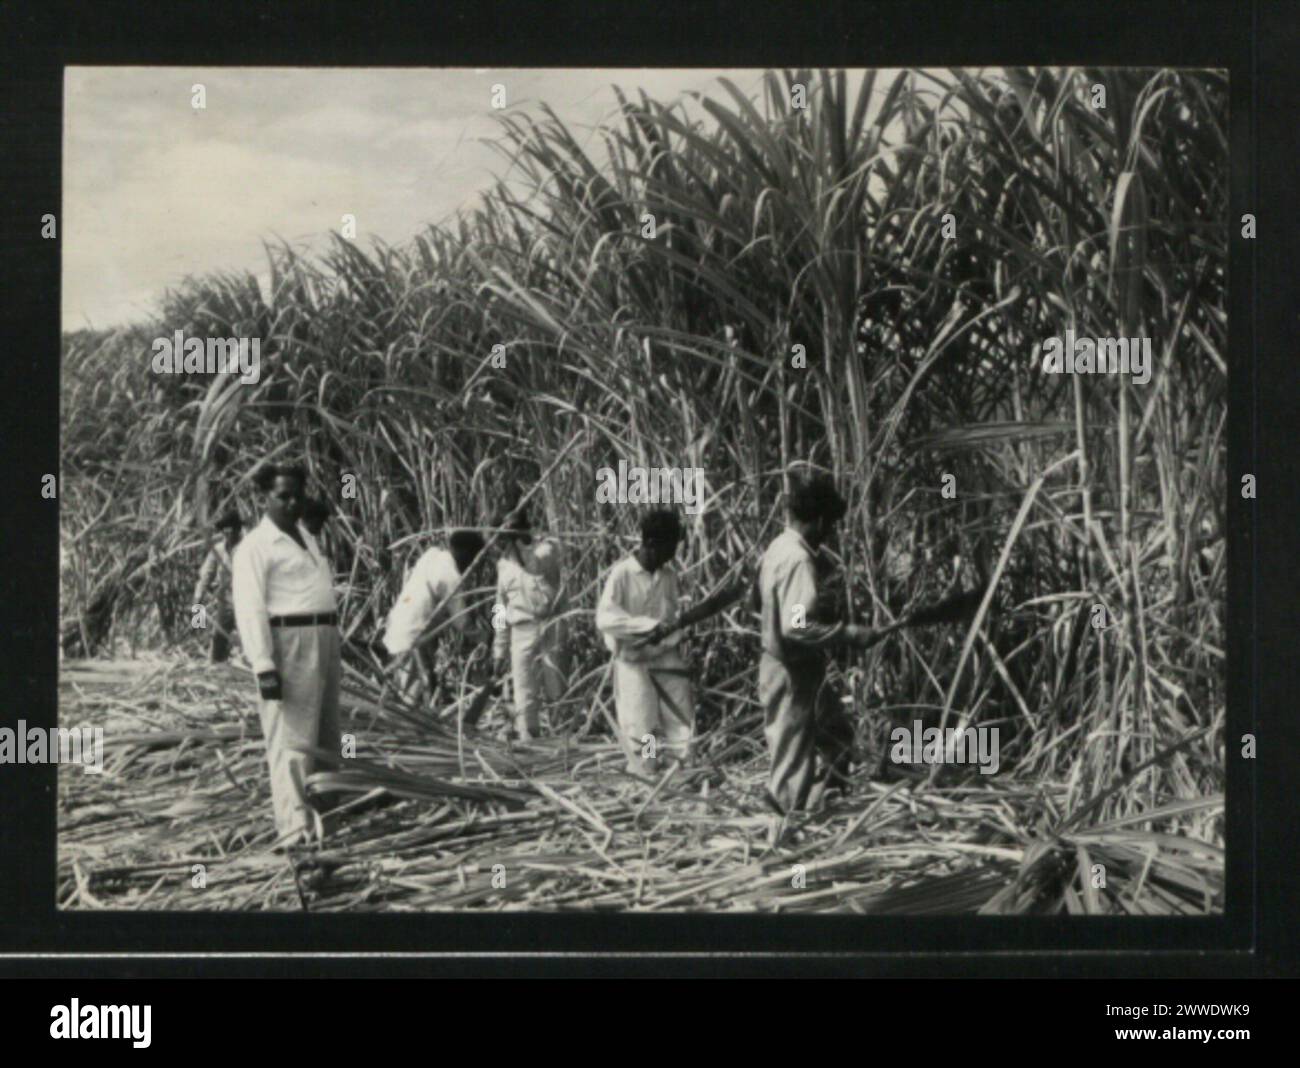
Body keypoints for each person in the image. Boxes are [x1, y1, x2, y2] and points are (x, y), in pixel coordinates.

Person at [756, 468, 879, 813]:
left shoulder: (776, 548)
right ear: (821, 520)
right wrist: (846, 634)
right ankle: (782, 825)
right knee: (792, 756)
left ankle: (825, 799)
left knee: (837, 734)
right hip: (791, 671)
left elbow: (758, 601)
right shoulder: (798, 559)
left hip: (795, 667)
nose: (830, 534)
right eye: (830, 526)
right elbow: (795, 626)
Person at [231, 463, 341, 848]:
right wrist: (263, 664)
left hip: (324, 636)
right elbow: (250, 606)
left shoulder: (305, 537)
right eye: (283, 496)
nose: (292, 502)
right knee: (293, 738)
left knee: (327, 734)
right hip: (290, 641)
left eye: (297, 495)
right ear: (265, 497)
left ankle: (328, 818)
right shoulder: (255, 546)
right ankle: (295, 831)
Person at [595, 509, 694, 775]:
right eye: (669, 547)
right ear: (651, 544)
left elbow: (672, 618)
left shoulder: (668, 576)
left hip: (665, 655)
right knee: (643, 722)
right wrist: (646, 627)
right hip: (634, 661)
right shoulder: (622, 575)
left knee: (680, 713)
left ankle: (679, 767)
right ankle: (648, 770)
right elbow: (605, 618)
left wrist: (675, 633)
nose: (673, 554)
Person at [382, 530, 487, 701]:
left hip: (396, 627)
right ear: (467, 555)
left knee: (401, 690)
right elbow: (461, 622)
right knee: (410, 699)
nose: (471, 567)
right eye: (473, 560)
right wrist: (483, 637)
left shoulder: (431, 555)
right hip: (413, 638)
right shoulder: (451, 577)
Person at [492, 505, 565, 740]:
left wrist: (520, 542)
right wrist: (499, 649)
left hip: (550, 626)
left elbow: (534, 567)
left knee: (555, 683)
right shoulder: (503, 566)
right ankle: (529, 736)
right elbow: (500, 607)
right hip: (521, 630)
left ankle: (561, 735)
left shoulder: (546, 549)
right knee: (524, 688)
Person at [193, 510, 243, 663]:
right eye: (225, 528)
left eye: (231, 528)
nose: (227, 531)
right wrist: (197, 617)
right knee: (217, 644)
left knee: (251, 644)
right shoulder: (218, 550)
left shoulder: (248, 547)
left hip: (247, 603)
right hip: (226, 603)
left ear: (238, 529)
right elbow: (204, 578)